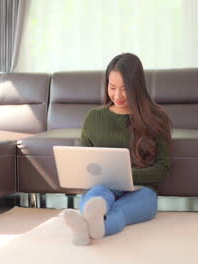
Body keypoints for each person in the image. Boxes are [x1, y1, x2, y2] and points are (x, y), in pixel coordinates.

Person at [62, 53, 174, 246]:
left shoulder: (156, 118)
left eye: (125, 89)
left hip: (142, 190)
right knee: (96, 196)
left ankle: (86, 227)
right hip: (102, 186)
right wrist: (108, 178)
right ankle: (94, 216)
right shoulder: (94, 118)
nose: (118, 96)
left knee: (120, 210)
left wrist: (126, 175)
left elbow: (163, 168)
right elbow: (85, 166)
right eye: (112, 88)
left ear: (137, 87)